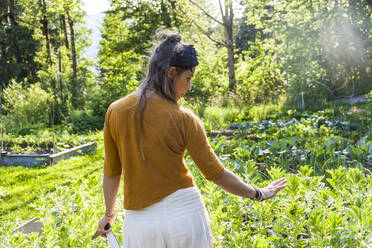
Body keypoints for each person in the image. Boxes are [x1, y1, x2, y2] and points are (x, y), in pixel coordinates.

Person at [97, 31, 286, 247]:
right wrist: (259, 193)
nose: (189, 87)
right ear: (171, 72)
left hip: (140, 225)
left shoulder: (116, 111)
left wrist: (109, 215)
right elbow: (217, 174)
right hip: (185, 217)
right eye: (187, 78)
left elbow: (111, 172)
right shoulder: (183, 117)